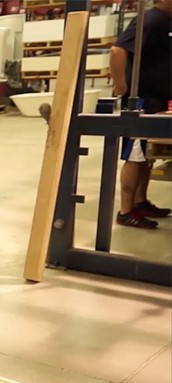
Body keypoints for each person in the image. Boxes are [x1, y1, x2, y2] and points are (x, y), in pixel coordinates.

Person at [109, 0, 172, 229]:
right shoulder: (149, 20)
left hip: (157, 99)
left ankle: (140, 201)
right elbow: (117, 50)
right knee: (135, 154)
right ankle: (126, 211)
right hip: (141, 100)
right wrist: (120, 86)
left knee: (146, 154)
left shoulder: (165, 22)